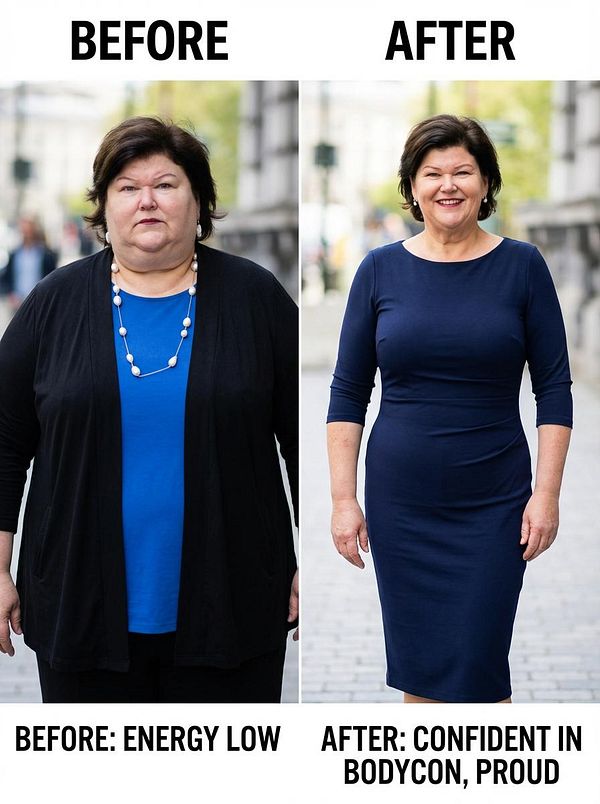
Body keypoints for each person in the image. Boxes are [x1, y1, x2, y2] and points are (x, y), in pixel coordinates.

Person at [0, 117, 298, 703]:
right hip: (78, 604)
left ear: (200, 202)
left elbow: (304, 437)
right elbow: (6, 442)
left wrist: (313, 561)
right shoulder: (52, 306)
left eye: (166, 184)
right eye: (127, 187)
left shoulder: (256, 299)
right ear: (104, 206)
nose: (147, 202)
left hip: (234, 602)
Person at [327, 115, 572, 704]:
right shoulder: (379, 269)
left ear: (486, 182)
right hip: (402, 502)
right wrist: (342, 500)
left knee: (479, 667)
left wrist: (547, 495)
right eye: (432, 173)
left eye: (463, 171)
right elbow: (346, 391)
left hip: (495, 499)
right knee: (421, 671)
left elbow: (555, 389)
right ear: (412, 187)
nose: (448, 185)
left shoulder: (523, 266)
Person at [0, 216, 57, 312]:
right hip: (18, 303)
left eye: (29, 230)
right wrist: (11, 294)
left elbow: (53, 277)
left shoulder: (45, 254)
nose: (26, 234)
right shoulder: (15, 254)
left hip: (39, 301)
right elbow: (7, 277)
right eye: (24, 230)